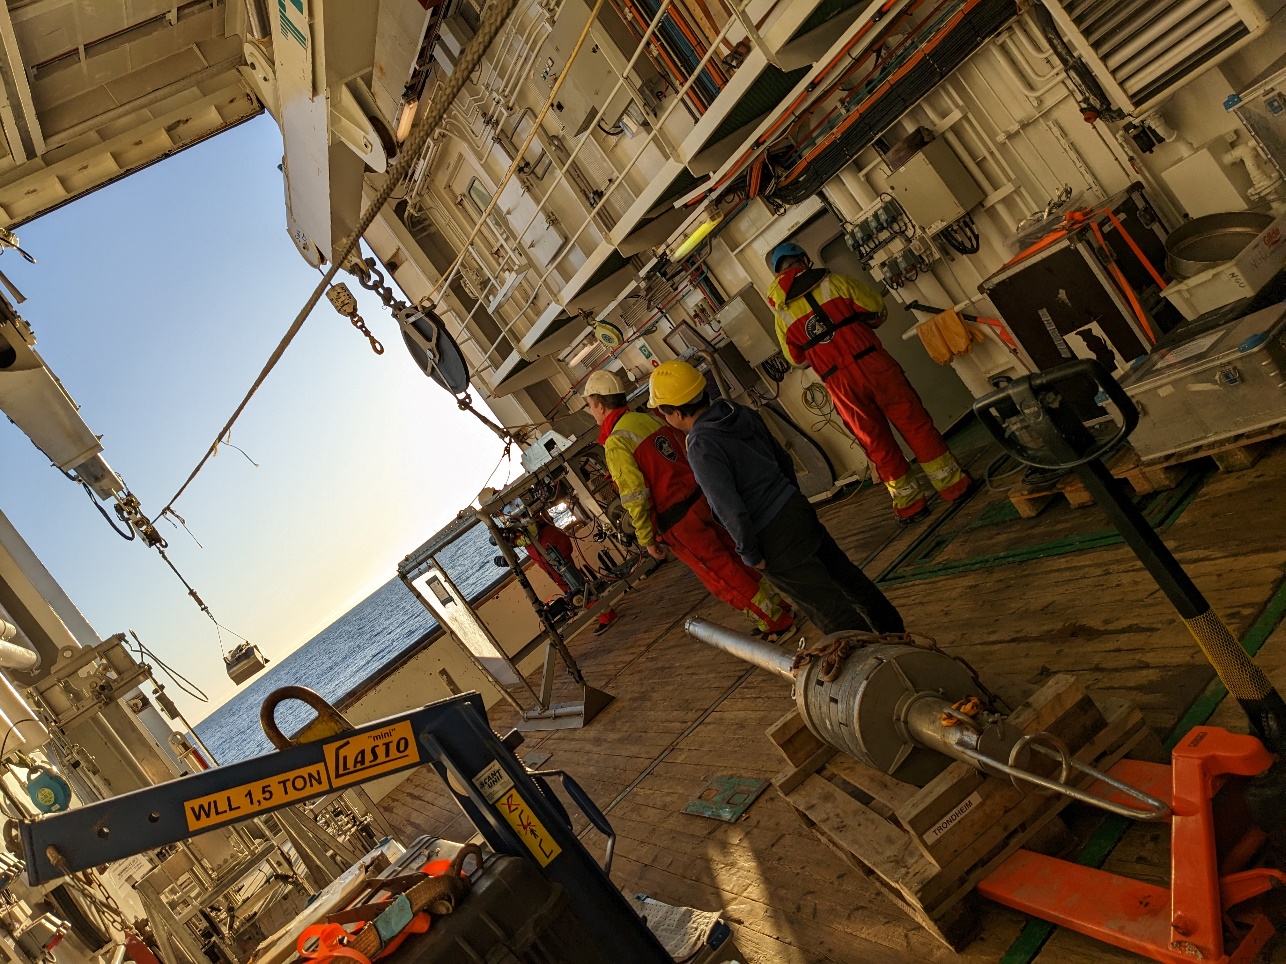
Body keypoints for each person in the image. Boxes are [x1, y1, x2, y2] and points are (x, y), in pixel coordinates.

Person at [650, 359, 904, 636]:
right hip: (795, 509)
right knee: (849, 580)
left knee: (829, 610)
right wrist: (789, 496)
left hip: (772, 536)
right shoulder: (738, 411)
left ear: (674, 412)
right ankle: (897, 635)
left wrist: (749, 552)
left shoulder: (701, 445)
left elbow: (728, 507)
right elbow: (782, 457)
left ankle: (876, 667)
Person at [765, 242, 972, 523]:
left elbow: (795, 359)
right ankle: (954, 486)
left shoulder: (781, 313)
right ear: (803, 259)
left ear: (778, 273)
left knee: (876, 443)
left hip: (839, 384)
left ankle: (911, 506)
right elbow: (876, 309)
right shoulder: (836, 282)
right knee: (915, 425)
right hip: (875, 366)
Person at [581, 369, 793, 639]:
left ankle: (776, 623)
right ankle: (780, 607)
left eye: (590, 406)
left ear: (599, 405)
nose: (592, 411)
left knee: (722, 575)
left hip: (680, 523)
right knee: (738, 561)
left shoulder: (616, 442)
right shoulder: (647, 420)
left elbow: (635, 495)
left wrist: (646, 538)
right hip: (703, 502)